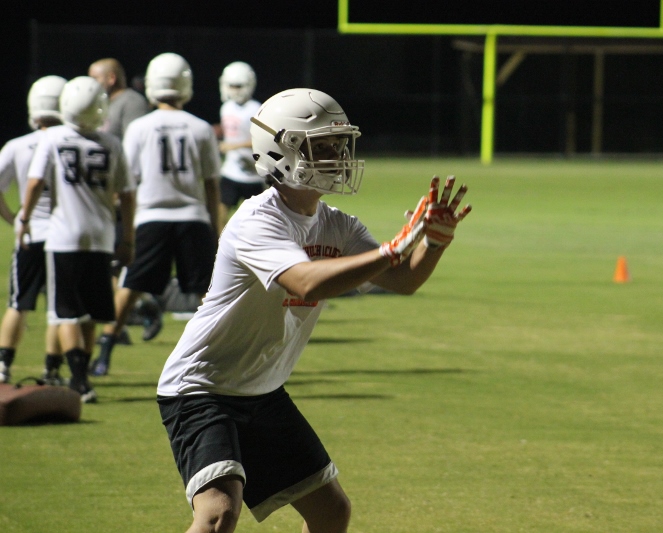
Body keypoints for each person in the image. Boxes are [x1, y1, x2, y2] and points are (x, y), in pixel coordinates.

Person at [156, 88, 471, 533]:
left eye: (340, 145)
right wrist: (394, 248)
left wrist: (433, 243)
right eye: (322, 146)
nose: (338, 157)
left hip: (262, 389)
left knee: (331, 512)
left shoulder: (337, 224)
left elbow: (403, 281)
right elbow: (305, 281)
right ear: (280, 151)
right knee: (218, 512)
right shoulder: (256, 220)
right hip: (202, 386)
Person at [90, 52, 221, 377]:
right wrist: (214, 228)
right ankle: (222, 354)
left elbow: (128, 181)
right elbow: (211, 185)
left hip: (150, 218)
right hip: (193, 218)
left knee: (130, 285)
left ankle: (104, 352)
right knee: (209, 293)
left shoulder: (139, 127)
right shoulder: (201, 128)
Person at [18, 76, 136, 403]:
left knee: (65, 313)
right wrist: (128, 238)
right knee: (92, 313)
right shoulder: (112, 143)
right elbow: (127, 194)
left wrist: (24, 219)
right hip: (100, 236)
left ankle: (80, 381)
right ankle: (82, 378)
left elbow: (35, 182)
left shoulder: (53, 137)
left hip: (64, 236)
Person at [89, 57, 162, 344]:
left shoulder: (131, 102)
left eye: (95, 77)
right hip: (106, 194)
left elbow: (135, 151)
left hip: (124, 196)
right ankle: (138, 309)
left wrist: (123, 190)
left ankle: (140, 308)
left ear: (110, 78)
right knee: (109, 263)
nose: (90, 84)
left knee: (118, 259)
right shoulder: (105, 104)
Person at [0, 75, 66, 385]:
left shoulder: (16, 146)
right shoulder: (71, 142)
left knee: (18, 303)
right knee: (58, 309)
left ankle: (3, 365)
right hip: (63, 237)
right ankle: (51, 370)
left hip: (31, 235)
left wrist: (15, 219)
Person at [216, 61, 266, 229]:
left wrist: (233, 146)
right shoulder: (226, 107)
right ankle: (219, 244)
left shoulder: (255, 109)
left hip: (252, 174)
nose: (234, 90)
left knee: (256, 221)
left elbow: (262, 140)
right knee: (220, 214)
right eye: (231, 86)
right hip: (230, 171)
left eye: (238, 86)